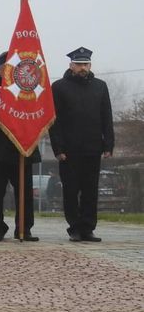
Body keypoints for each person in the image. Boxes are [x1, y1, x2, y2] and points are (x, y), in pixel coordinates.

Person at [49, 47, 114, 242]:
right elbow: (54, 121)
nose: (83, 68)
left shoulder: (100, 86)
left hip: (93, 148)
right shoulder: (59, 87)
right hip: (69, 151)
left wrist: (108, 145)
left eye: (85, 64)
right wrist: (58, 148)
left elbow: (106, 117)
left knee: (90, 190)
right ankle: (74, 228)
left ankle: (88, 228)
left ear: (90, 65)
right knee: (70, 190)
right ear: (71, 66)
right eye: (79, 64)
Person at [0, 51, 40, 241]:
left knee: (25, 193)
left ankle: (24, 228)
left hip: (21, 148)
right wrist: (10, 106)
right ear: (1, 68)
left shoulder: (25, 89)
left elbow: (36, 112)